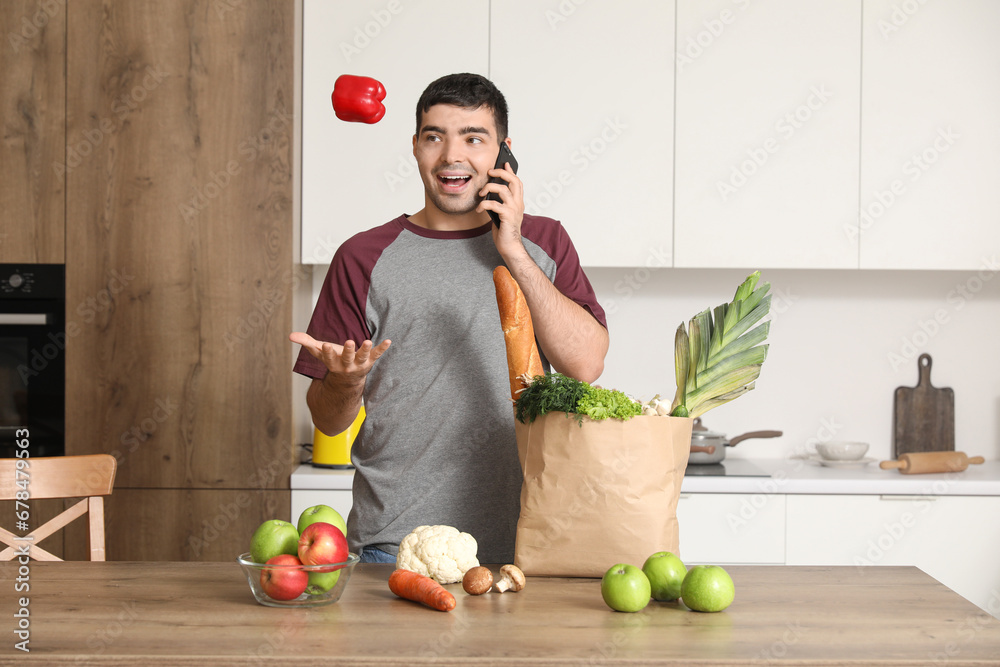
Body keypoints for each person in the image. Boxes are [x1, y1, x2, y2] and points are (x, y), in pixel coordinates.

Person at [291, 73, 609, 564]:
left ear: (504, 152)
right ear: (416, 147)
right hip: (396, 545)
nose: (451, 156)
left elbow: (586, 364)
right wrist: (346, 382)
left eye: (473, 138)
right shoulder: (362, 256)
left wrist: (513, 251)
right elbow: (329, 422)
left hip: (530, 545)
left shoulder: (544, 243)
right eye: (434, 136)